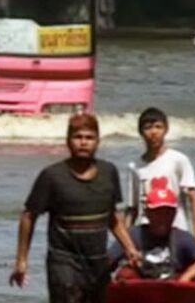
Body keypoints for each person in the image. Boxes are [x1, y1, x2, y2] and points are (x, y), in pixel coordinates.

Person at [9, 113, 140, 303]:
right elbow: (29, 216)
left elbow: (111, 216)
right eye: (78, 137)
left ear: (98, 141)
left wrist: (130, 248)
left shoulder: (108, 172)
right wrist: (21, 260)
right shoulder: (52, 176)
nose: (83, 143)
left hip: (98, 262)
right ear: (68, 141)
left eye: (89, 138)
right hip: (64, 262)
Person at [126, 107, 195, 243]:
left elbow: (194, 198)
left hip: (176, 229)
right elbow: (132, 209)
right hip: (146, 232)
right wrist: (126, 244)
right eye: (148, 127)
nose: (153, 132)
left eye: (158, 127)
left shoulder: (178, 160)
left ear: (166, 130)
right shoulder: (135, 166)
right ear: (140, 132)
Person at [110, 186, 195, 282]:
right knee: (125, 274)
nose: (163, 218)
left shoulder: (182, 238)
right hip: (140, 290)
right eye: (158, 213)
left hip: (173, 290)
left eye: (168, 213)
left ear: (174, 214)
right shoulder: (133, 235)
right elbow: (107, 262)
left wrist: (186, 277)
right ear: (147, 213)